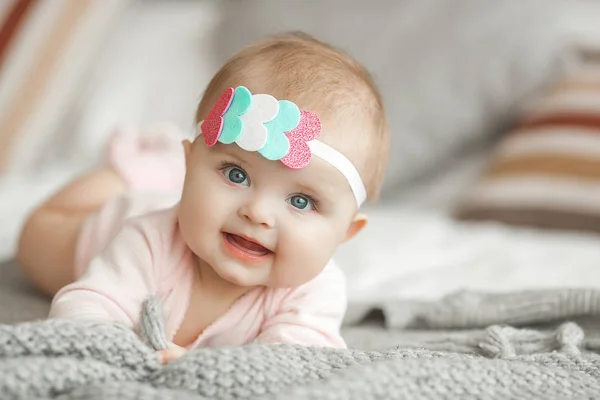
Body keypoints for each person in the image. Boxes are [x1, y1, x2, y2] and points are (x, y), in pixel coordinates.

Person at [16, 32, 390, 362]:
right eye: (236, 174)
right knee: (36, 242)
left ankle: (170, 170)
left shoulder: (314, 291)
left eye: (301, 201)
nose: (258, 212)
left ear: (345, 232)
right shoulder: (147, 239)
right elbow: (88, 310)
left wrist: (195, 368)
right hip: (97, 222)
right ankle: (133, 167)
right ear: (190, 164)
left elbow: (293, 362)